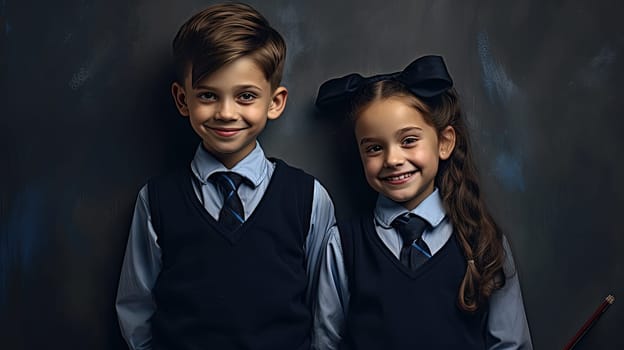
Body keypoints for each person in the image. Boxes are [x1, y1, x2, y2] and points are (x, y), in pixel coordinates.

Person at [115, 3, 338, 349]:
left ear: (275, 102)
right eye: (207, 95)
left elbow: (324, 313)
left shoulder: (308, 198)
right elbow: (136, 309)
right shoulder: (156, 200)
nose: (226, 112)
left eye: (246, 96)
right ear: (182, 99)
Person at [314, 55, 532, 349]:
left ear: (444, 143)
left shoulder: (484, 241)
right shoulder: (342, 244)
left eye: (408, 141)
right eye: (375, 148)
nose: (392, 160)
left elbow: (510, 346)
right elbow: (326, 342)